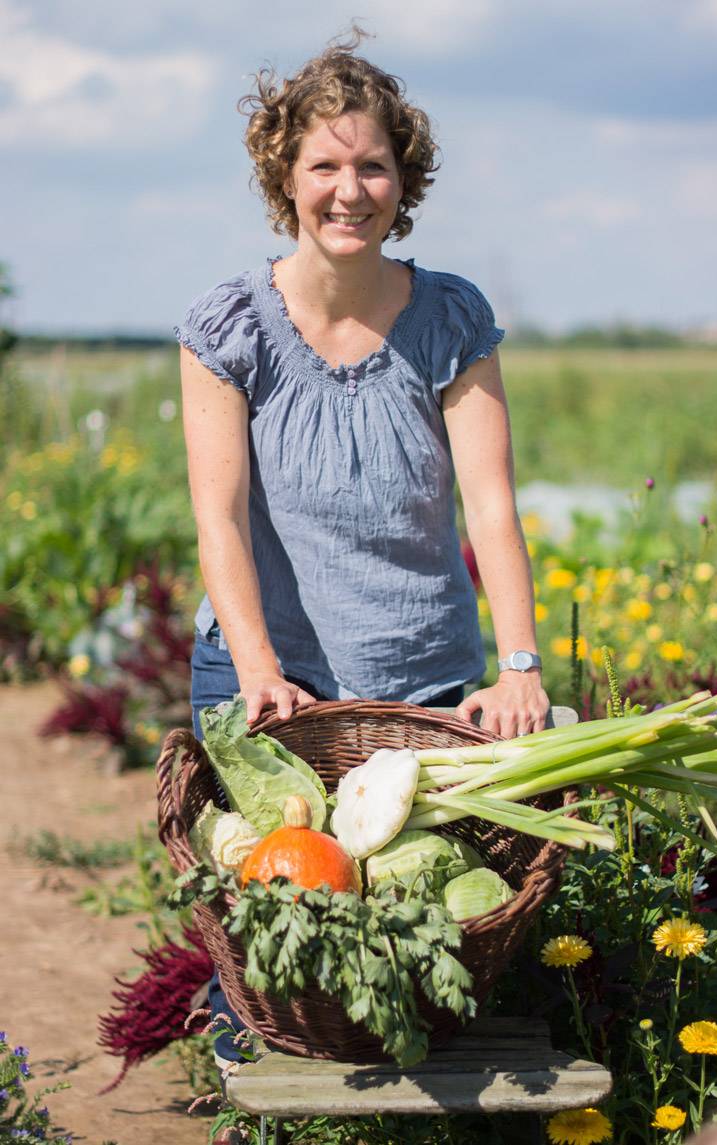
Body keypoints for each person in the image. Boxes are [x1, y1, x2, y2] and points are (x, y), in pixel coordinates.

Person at [175, 31, 549, 1068]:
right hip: (273, 676)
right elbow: (218, 516)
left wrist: (517, 665)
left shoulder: (450, 317)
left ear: (404, 177)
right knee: (269, 938)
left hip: (421, 679)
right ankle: (252, 1105)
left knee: (414, 923)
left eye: (372, 164)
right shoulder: (228, 325)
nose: (351, 189)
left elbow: (489, 505)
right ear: (283, 177)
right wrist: (256, 669)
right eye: (324, 166)